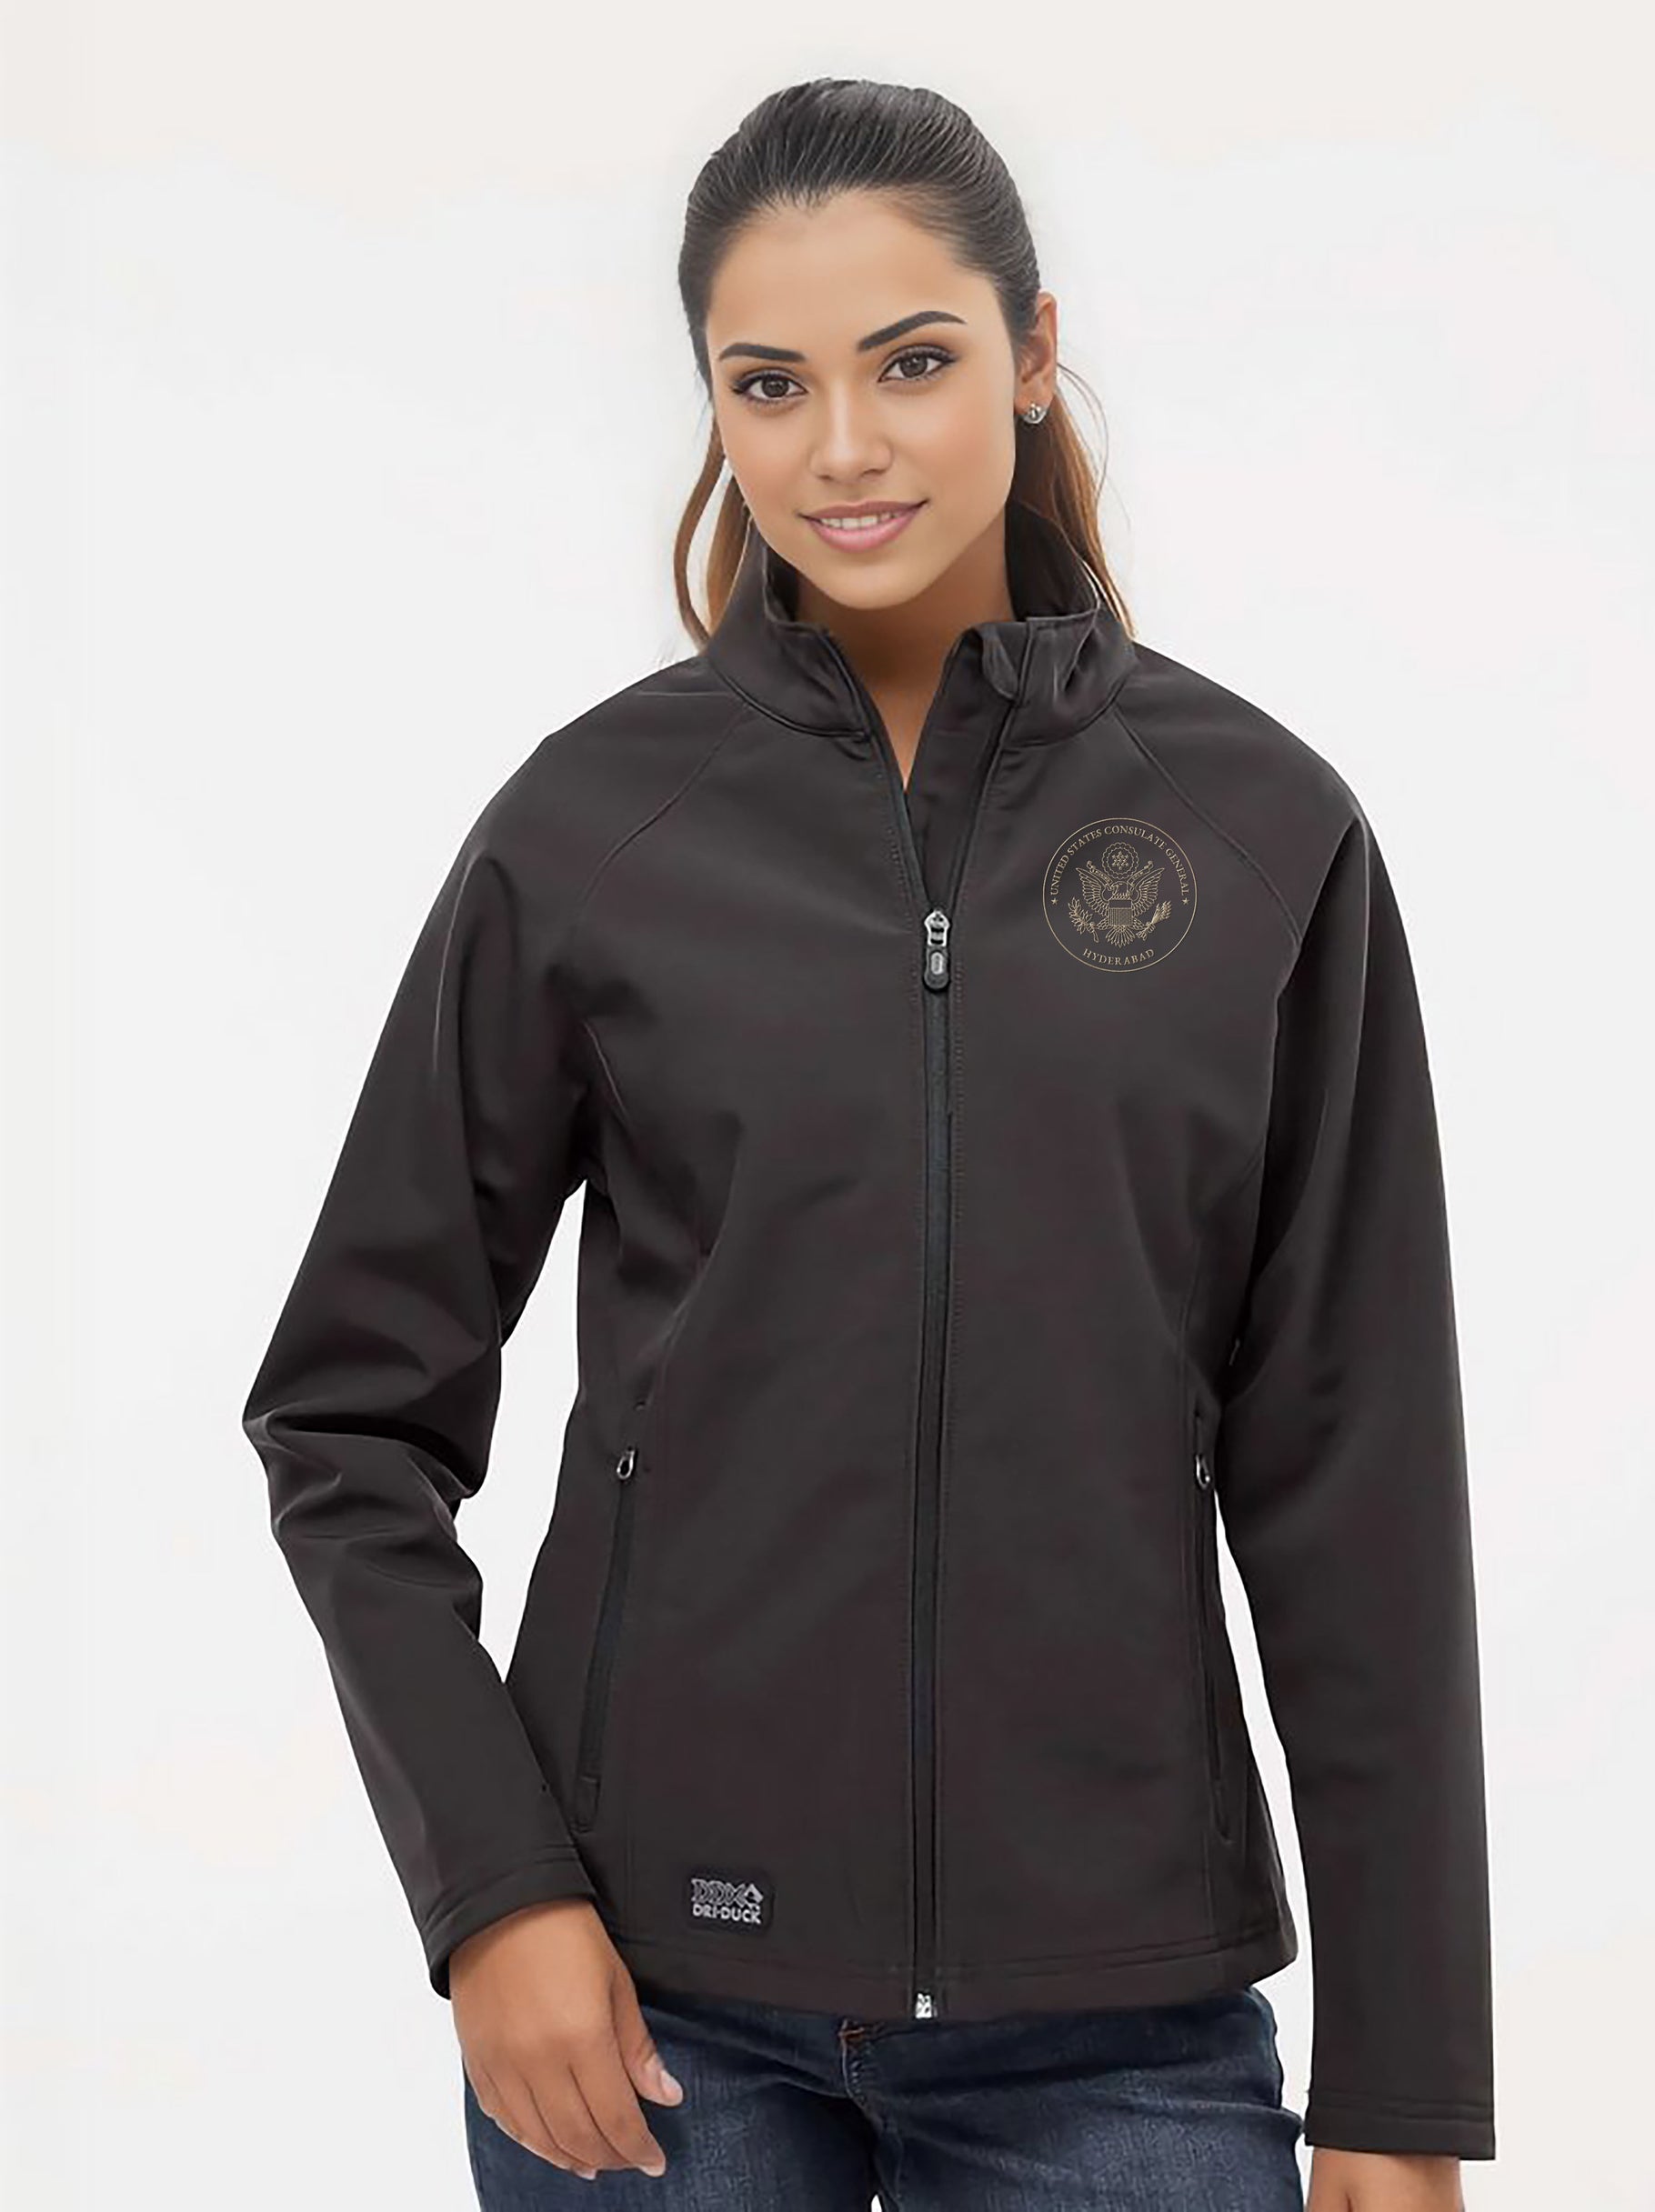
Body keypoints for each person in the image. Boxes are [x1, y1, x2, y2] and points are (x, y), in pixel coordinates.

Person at [242, 76, 1494, 2212]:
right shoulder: (593, 831)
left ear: (1031, 350)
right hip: (647, 2014)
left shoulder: (1260, 830)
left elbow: (1355, 1487)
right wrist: (494, 1890)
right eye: (770, 383)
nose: (843, 445)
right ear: (713, 408)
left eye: (910, 362)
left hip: (1122, 2017)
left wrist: (1406, 2069)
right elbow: (348, 1414)